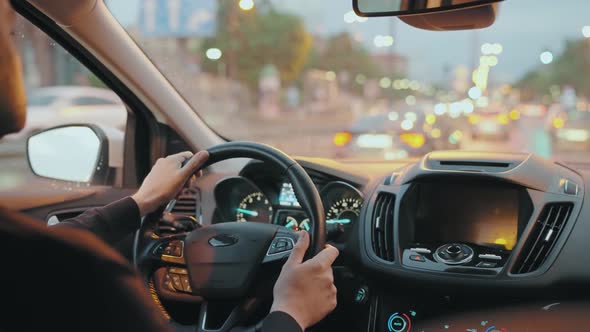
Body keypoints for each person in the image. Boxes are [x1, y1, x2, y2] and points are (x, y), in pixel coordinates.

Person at [0, 1, 338, 331]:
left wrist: (140, 203)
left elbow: (48, 248)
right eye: (8, 26)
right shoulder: (83, 275)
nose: (13, 22)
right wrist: (290, 313)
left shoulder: (30, 265)